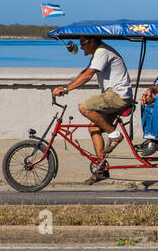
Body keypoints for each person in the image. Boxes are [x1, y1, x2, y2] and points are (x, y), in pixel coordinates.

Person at [52, 35, 133, 183]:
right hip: (114, 95)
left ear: (93, 41)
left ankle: (114, 134)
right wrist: (65, 87)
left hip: (117, 95)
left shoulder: (102, 51)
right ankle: (101, 168)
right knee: (93, 128)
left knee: (84, 107)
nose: (81, 47)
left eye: (83, 43)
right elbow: (84, 73)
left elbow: (88, 75)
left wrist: (66, 89)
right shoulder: (98, 53)